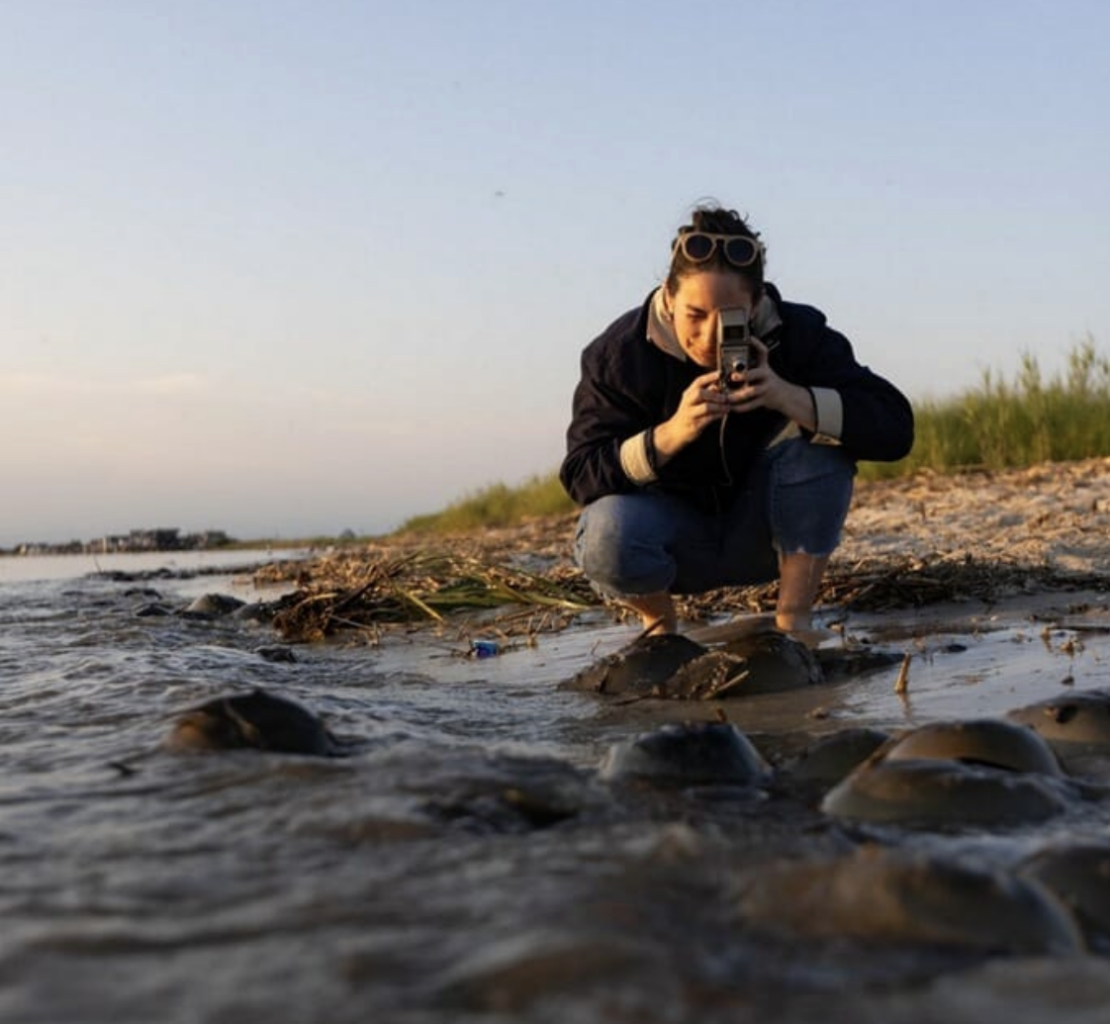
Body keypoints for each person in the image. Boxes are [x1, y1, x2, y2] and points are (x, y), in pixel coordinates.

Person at [559, 203, 913, 640]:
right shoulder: (619, 355)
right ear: (667, 297)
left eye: (730, 317)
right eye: (695, 315)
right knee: (605, 534)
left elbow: (896, 428)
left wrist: (791, 398)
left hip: (768, 537)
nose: (709, 337)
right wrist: (669, 436)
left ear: (758, 302)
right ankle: (659, 625)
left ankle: (794, 623)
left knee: (819, 452)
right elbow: (579, 474)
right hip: (670, 541)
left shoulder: (798, 331)